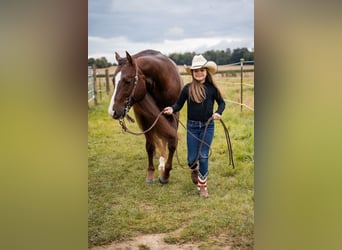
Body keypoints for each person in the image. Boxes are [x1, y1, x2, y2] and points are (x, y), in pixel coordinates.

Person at [163, 54, 225, 198]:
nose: (199, 73)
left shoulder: (212, 89)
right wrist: (172, 109)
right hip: (192, 127)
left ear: (206, 72)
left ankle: (202, 185)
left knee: (203, 156)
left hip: (207, 127)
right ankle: (194, 168)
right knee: (191, 159)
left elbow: (222, 103)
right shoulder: (187, 89)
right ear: (192, 73)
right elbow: (178, 104)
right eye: (196, 71)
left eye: (202, 70)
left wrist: (218, 112)